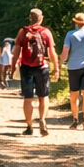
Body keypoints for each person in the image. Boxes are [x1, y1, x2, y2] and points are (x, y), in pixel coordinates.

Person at [14, 8, 58, 136]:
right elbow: (52, 52)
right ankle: (42, 120)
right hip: (42, 67)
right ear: (41, 18)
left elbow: (16, 51)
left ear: (30, 18)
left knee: (28, 98)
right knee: (43, 96)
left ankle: (29, 126)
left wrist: (12, 66)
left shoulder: (23, 32)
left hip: (26, 67)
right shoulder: (46, 32)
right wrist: (56, 68)